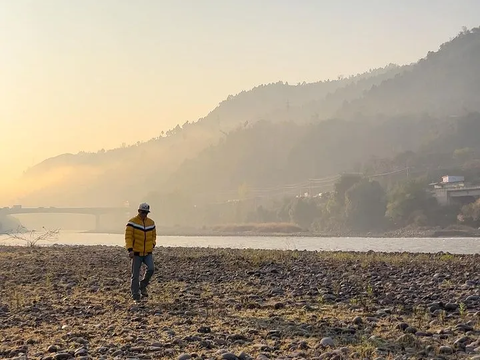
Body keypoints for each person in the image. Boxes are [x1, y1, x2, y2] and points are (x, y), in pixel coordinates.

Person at [125, 202, 156, 302]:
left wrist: (153, 244)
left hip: (147, 252)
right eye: (142, 212)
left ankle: (143, 285)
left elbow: (153, 235)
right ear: (138, 211)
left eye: (146, 213)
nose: (144, 214)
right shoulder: (132, 222)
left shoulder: (151, 223)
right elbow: (128, 237)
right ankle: (135, 295)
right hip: (136, 252)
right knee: (135, 275)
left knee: (151, 268)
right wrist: (130, 249)